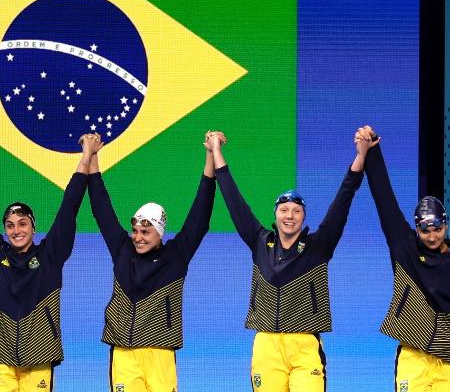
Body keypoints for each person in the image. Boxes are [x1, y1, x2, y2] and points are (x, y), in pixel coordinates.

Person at [205, 131, 370, 392]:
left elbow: (344, 197)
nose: (289, 216)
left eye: (296, 211)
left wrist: (360, 156)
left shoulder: (319, 245)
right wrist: (216, 153)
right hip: (266, 347)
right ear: (276, 214)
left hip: (305, 347)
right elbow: (234, 201)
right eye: (284, 210)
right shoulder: (259, 241)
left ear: (303, 217)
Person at [85, 131, 223, 392]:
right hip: (124, 354)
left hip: (161, 352)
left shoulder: (176, 256)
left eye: (145, 232)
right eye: (135, 230)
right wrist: (92, 158)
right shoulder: (122, 250)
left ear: (160, 233)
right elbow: (101, 208)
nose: (137, 237)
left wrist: (209, 157)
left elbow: (200, 214)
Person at [0, 134, 101, 392]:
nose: (16, 231)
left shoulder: (50, 256)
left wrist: (86, 157)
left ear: (34, 227)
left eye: (23, 224)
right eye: (10, 226)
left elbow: (70, 206)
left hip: (40, 355)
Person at [358, 125, 450, 392]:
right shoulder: (405, 248)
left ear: (445, 225)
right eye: (425, 230)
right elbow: (384, 199)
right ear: (416, 228)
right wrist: (373, 151)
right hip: (413, 354)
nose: (432, 237)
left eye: (438, 230)